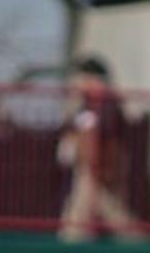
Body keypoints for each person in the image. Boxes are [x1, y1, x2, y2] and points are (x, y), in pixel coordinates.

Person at [58, 55, 143, 242]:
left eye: (83, 77)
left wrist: (103, 164)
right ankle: (134, 242)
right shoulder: (86, 103)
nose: (79, 83)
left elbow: (107, 133)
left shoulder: (107, 102)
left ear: (95, 78)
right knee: (99, 208)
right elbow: (78, 128)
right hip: (87, 164)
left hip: (100, 164)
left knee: (96, 210)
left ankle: (137, 244)